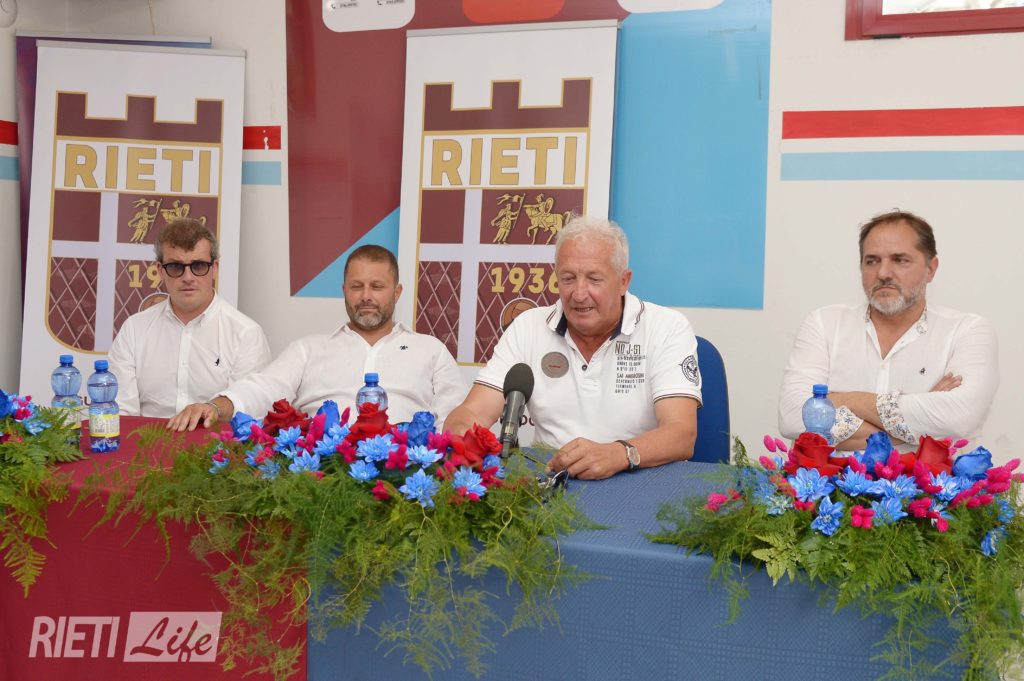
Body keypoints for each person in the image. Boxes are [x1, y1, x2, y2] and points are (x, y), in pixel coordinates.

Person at [444, 215, 702, 480]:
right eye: (568, 278)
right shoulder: (528, 327)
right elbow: (472, 412)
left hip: (640, 480)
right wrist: (460, 439)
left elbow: (681, 434)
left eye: (594, 279)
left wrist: (618, 454)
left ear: (624, 281)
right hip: (549, 482)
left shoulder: (666, 328)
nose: (579, 294)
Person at [168, 245, 466, 430]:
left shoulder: (430, 350)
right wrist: (214, 406)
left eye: (377, 286)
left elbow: (455, 419)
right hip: (318, 482)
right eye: (356, 286)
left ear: (397, 292)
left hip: (405, 481)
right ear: (344, 290)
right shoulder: (308, 349)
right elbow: (263, 388)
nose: (366, 296)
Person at [778, 210, 999, 451]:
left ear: (931, 269)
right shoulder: (824, 324)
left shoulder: (966, 331)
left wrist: (847, 399)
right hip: (828, 476)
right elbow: (792, 416)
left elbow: (958, 417)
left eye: (900, 260)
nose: (883, 273)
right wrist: (920, 422)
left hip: (933, 478)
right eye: (872, 261)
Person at [107, 218, 271, 418]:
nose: (187, 277)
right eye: (176, 267)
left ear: (215, 268)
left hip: (216, 439)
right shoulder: (134, 329)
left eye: (198, 266)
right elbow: (121, 413)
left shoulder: (246, 334)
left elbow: (249, 410)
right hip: (146, 437)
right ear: (160, 271)